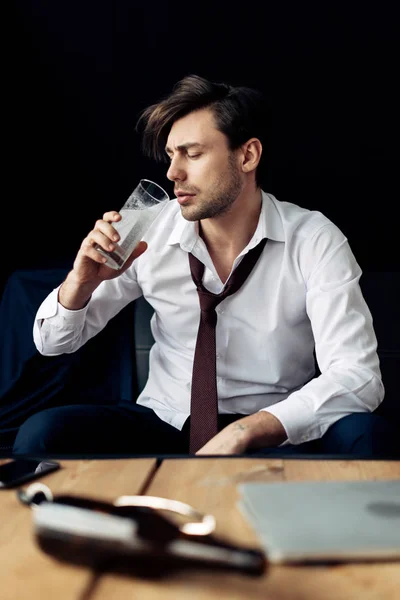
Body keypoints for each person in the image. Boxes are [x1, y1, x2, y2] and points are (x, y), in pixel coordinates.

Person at [13, 74, 398, 457]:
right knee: (43, 433)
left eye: (192, 154)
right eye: (171, 155)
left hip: (272, 429)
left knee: (367, 434)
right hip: (165, 423)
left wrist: (247, 431)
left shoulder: (314, 238)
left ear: (247, 156)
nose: (173, 173)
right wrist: (79, 284)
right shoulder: (148, 225)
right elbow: (53, 344)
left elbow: (359, 377)